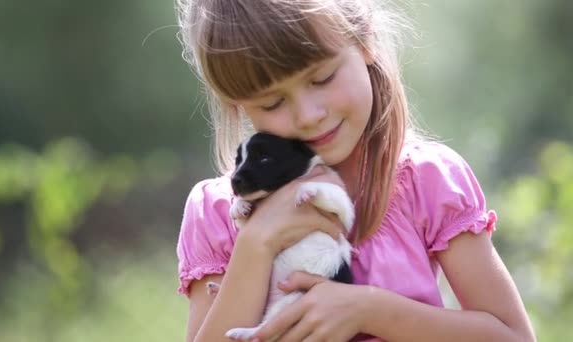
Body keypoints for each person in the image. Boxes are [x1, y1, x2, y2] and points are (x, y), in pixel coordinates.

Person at [174, 0, 536, 341]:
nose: (308, 115)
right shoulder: (219, 213)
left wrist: (369, 310)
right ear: (237, 103)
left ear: (364, 40)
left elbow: (514, 336)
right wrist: (256, 243)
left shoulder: (426, 181)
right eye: (273, 102)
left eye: (323, 78)